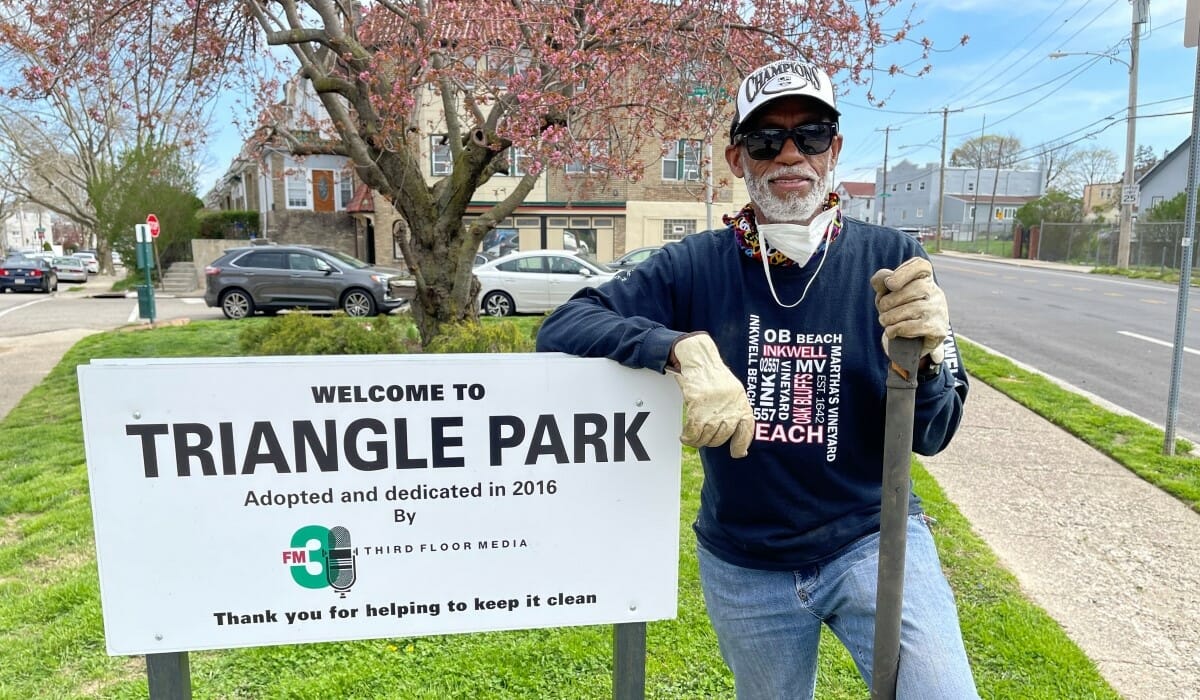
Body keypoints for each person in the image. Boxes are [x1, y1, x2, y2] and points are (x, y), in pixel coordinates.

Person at [536, 58, 977, 698]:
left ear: (836, 149)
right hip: (746, 564)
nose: (791, 154)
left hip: (871, 540)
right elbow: (565, 323)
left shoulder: (893, 260)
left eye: (813, 134)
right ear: (737, 158)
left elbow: (933, 434)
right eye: (767, 139)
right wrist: (677, 348)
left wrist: (930, 358)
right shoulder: (695, 265)